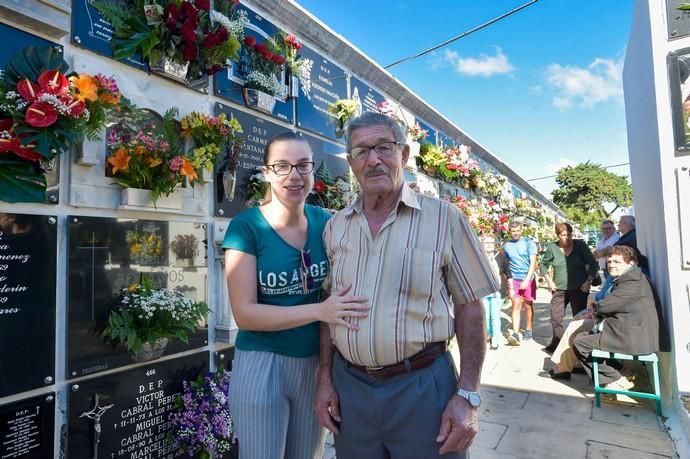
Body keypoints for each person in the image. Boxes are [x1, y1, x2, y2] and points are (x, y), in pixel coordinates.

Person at [314, 112, 499, 459]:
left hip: (423, 388)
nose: (373, 159)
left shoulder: (446, 219)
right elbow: (329, 310)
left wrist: (468, 393)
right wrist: (325, 380)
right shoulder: (335, 227)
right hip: (350, 391)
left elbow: (470, 307)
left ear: (404, 154)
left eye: (383, 147)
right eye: (361, 151)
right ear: (351, 162)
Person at [223, 132, 369, 459]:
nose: (295, 176)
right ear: (267, 172)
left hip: (316, 364)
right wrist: (320, 311)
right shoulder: (246, 228)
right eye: (282, 166)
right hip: (263, 362)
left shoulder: (328, 223)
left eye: (303, 166)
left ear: (313, 171)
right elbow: (245, 314)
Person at [572, 245, 660, 391]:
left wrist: (595, 308)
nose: (611, 265)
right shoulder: (631, 277)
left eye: (617, 262)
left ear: (631, 263)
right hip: (629, 331)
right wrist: (597, 309)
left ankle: (615, 379)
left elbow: (605, 306)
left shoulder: (632, 282)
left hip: (633, 336)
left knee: (580, 343)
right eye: (610, 261)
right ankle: (620, 372)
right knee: (583, 336)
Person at [539, 222, 598, 353]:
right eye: (563, 235)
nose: (567, 238)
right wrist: (549, 281)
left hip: (579, 287)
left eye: (569, 234)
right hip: (559, 289)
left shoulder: (580, 246)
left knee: (579, 318)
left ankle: (578, 345)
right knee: (556, 318)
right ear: (558, 235)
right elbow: (543, 265)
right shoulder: (552, 248)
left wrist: (588, 281)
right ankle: (558, 344)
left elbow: (593, 264)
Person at [502, 220, 538, 345]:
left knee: (528, 305)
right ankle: (516, 334)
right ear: (509, 231)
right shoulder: (506, 246)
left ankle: (528, 329)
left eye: (517, 231)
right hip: (515, 279)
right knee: (516, 305)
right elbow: (505, 264)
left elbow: (533, 263)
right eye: (513, 231)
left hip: (528, 278)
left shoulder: (529, 243)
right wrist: (508, 281)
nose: (515, 233)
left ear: (521, 230)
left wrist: (527, 279)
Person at [479, 233, 510, 350]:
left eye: (491, 243)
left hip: (497, 292)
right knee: (485, 316)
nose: (489, 245)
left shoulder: (500, 256)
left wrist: (510, 286)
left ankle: (495, 341)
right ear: (481, 244)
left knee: (495, 316)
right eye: (486, 243)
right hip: (483, 291)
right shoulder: (479, 257)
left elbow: (508, 272)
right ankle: (488, 334)